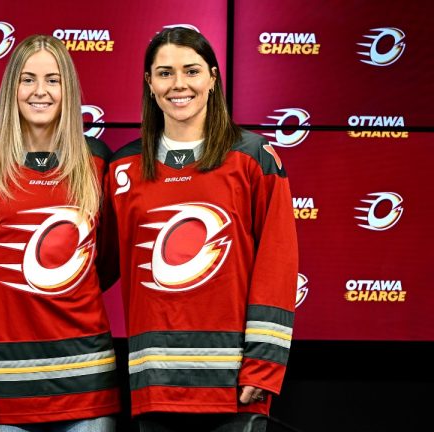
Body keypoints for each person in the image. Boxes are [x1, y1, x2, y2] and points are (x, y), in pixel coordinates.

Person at [104, 27, 298, 431]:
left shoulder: (253, 157)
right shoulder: (123, 167)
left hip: (232, 386)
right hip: (154, 385)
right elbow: (97, 266)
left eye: (191, 71)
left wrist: (263, 364)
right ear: (149, 83)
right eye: (165, 73)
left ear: (212, 77)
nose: (179, 85)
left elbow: (277, 266)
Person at [0, 35, 120, 431]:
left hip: (85, 376)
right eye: (28, 79)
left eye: (53, 80)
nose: (40, 91)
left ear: (68, 89)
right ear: (11, 88)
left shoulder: (98, 160)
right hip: (0, 379)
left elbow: (108, 260)